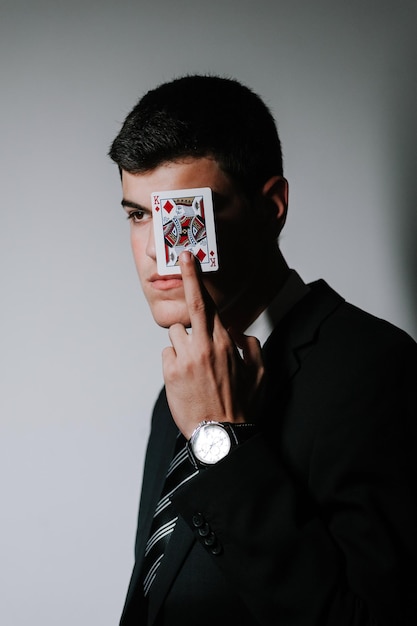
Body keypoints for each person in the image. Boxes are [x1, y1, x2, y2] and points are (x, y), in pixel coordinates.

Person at [109, 75, 417, 626]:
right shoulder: (177, 392)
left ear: (271, 206)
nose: (159, 251)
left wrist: (221, 441)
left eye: (184, 214)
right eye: (138, 215)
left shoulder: (379, 371)